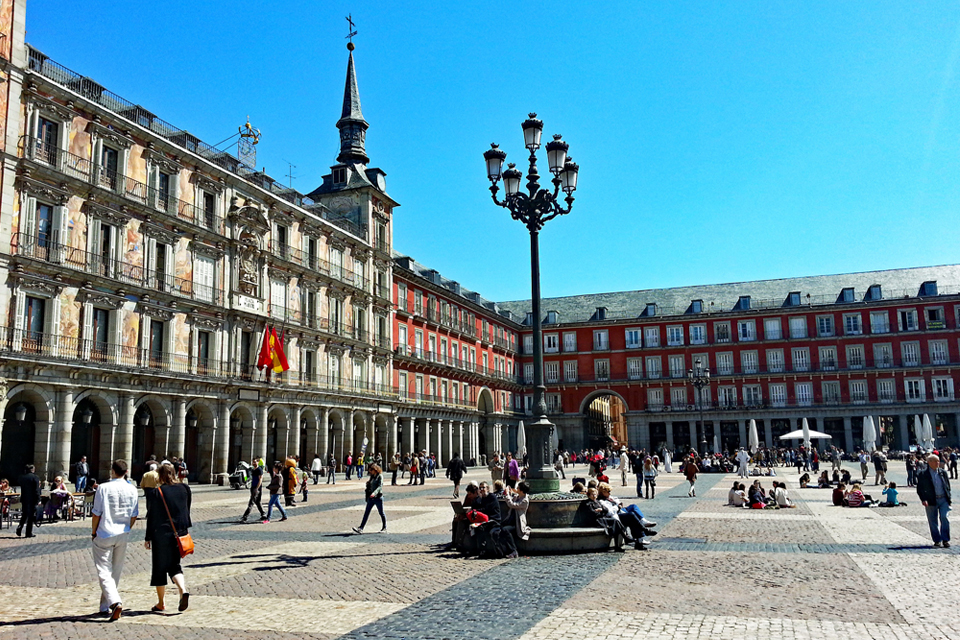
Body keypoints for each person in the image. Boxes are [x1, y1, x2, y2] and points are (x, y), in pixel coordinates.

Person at [90, 459, 139, 621]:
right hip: (122, 532)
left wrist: (93, 531)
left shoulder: (103, 488)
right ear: (126, 472)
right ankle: (104, 606)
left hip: (104, 532)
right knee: (116, 570)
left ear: (112, 471)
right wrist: (127, 529)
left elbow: (96, 513)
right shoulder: (132, 489)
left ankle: (114, 602)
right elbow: (134, 515)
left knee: (103, 570)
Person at [144, 463, 192, 613]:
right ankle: (182, 590)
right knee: (174, 565)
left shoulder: (156, 492)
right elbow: (187, 509)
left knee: (159, 568)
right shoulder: (185, 488)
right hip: (180, 532)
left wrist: (148, 537)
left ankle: (161, 603)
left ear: (160, 475)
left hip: (161, 534)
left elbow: (151, 516)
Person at [916, 453, 951, 547]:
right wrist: (923, 499)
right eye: (936, 461)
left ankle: (945, 539)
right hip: (931, 500)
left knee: (945, 518)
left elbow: (947, 486)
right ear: (929, 462)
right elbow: (920, 489)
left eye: (938, 461)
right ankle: (937, 540)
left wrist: (949, 498)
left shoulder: (942, 472)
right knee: (933, 521)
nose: (938, 463)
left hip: (943, 499)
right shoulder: (923, 474)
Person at [583, 487, 626, 552]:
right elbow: (592, 514)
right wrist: (602, 511)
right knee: (615, 522)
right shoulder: (588, 503)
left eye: (595, 494)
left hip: (602, 518)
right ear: (589, 495)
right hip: (596, 520)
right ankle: (623, 540)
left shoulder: (597, 502)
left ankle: (618, 544)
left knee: (616, 522)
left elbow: (606, 509)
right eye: (592, 494)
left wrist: (601, 510)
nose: (594, 496)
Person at [352, 464, 386, 534]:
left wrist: (374, 493)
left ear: (375, 470)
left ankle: (384, 527)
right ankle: (361, 528)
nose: (370, 471)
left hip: (378, 498)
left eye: (371, 470)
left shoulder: (380, 476)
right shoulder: (372, 477)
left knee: (381, 513)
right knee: (366, 513)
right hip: (371, 498)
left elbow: (380, 486)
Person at [16, 464, 40, 538]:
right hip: (32, 499)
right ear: (32, 469)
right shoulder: (35, 477)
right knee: (31, 516)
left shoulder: (22, 477)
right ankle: (28, 532)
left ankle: (20, 527)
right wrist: (38, 499)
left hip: (24, 498)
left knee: (24, 514)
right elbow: (37, 490)